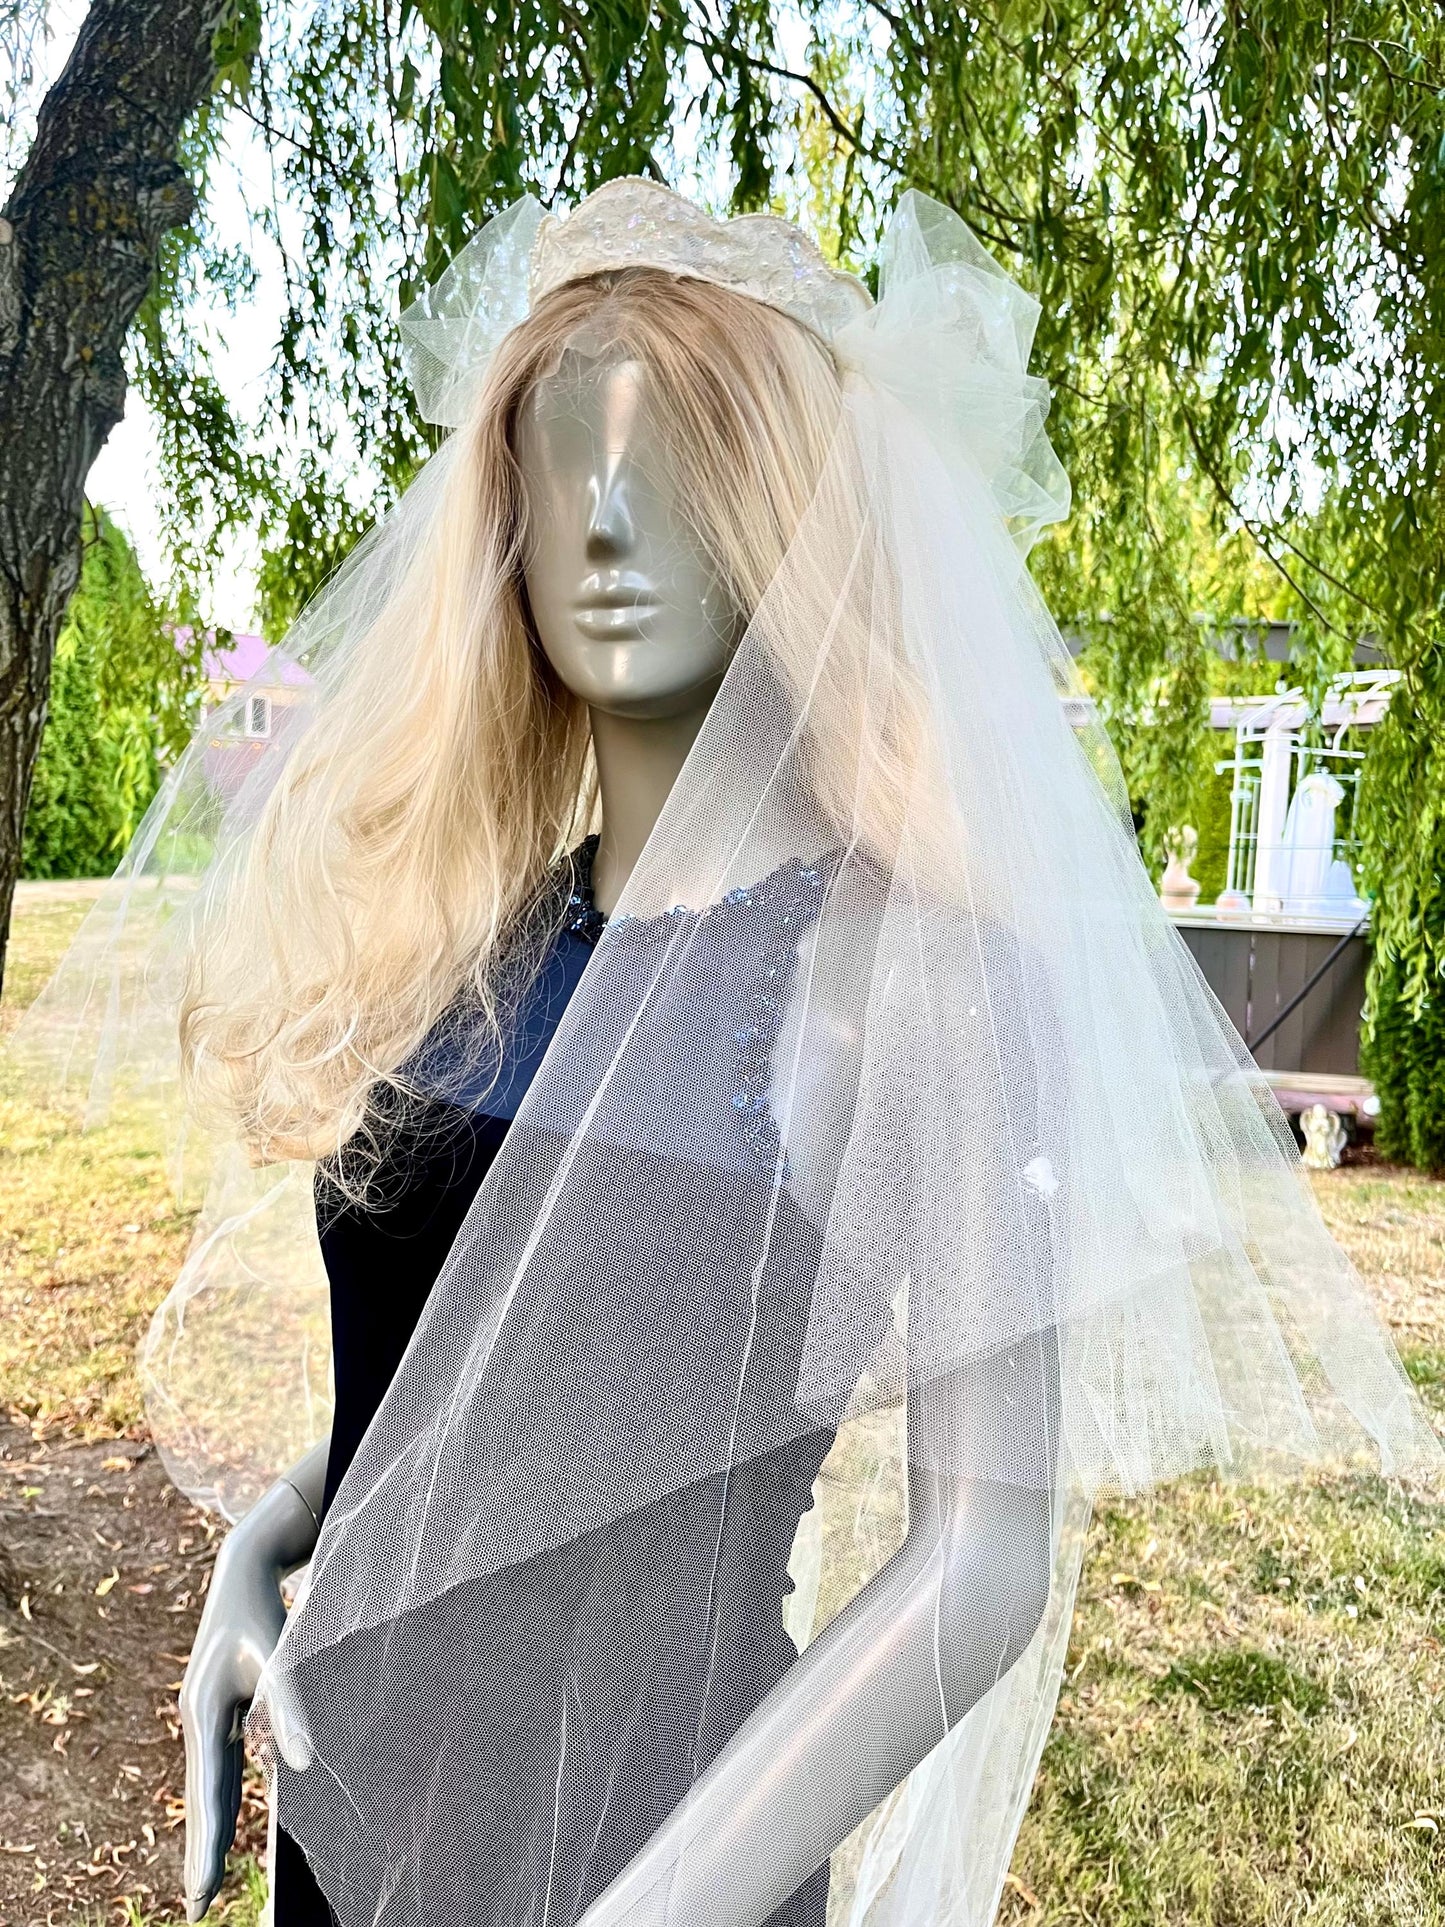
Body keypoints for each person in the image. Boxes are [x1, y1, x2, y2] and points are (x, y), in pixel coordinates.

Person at [13, 178, 1438, 1927]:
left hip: (653, 1812)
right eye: (556, 463)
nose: (608, 524)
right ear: (497, 521)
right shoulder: (479, 944)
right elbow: (466, 1354)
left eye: (675, 461)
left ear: (778, 511)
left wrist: (656, 1906)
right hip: (358, 1786)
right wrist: (271, 1541)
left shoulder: (897, 978)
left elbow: (980, 1557)